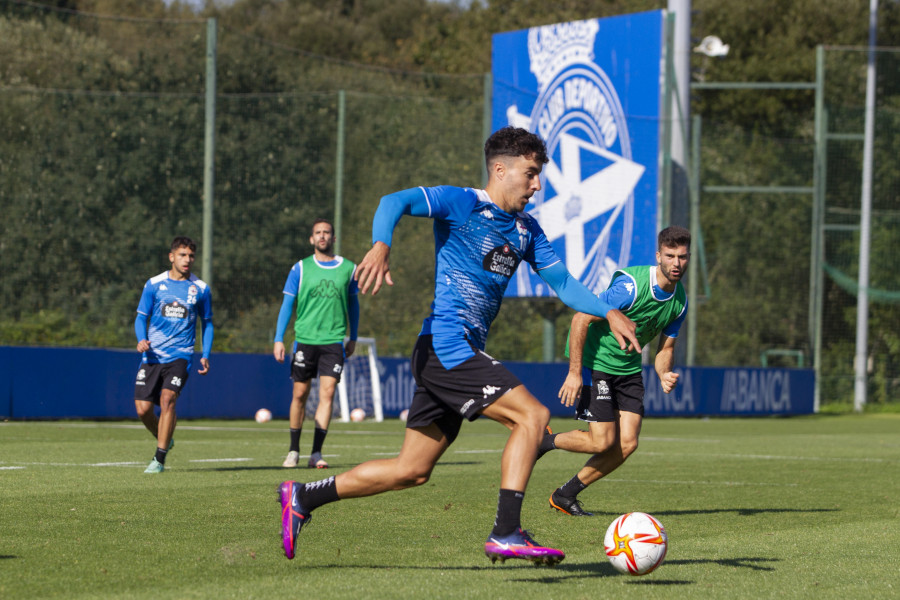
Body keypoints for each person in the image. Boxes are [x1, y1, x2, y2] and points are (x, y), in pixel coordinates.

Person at [278, 126, 640, 566]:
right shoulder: (463, 203)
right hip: (447, 345)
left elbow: (563, 283)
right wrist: (381, 244)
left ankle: (303, 496)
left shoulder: (527, 230)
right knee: (534, 416)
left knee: (412, 470)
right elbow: (392, 202)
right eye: (530, 173)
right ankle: (506, 532)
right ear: (501, 169)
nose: (537, 185)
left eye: (539, 175)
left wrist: (608, 310)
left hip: (449, 353)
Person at [539, 226, 690, 516]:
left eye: (682, 257)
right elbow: (581, 319)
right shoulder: (631, 287)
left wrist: (663, 373)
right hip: (599, 365)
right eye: (670, 256)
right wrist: (574, 373)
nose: (676, 263)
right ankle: (544, 441)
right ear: (659, 256)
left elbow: (665, 350)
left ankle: (565, 495)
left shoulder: (679, 302)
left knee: (628, 443)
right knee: (602, 441)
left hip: (630, 370)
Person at [273, 218, 359, 469]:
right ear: (312, 239)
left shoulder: (349, 269)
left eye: (327, 233)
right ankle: (293, 451)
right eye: (318, 233)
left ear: (333, 238)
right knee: (299, 394)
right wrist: (279, 337)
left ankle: (316, 454)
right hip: (305, 341)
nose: (322, 236)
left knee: (328, 393)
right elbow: (287, 305)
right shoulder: (299, 268)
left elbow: (354, 305)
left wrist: (353, 336)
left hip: (333, 341)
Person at [133, 236, 214, 474]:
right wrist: (141, 339)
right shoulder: (154, 284)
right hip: (153, 356)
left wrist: (205, 353)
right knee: (142, 410)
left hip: (181, 356)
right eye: (182, 255)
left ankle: (159, 459)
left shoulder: (200, 289)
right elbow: (140, 317)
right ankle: (165, 437)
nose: (187, 260)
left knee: (167, 400)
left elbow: (207, 323)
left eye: (191, 256)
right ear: (171, 257)